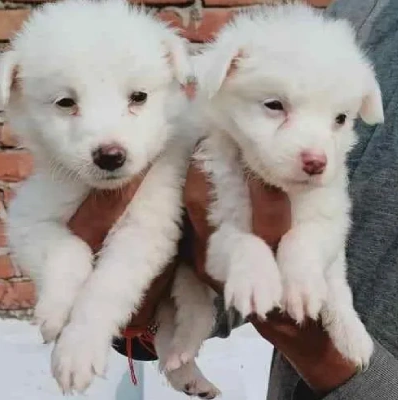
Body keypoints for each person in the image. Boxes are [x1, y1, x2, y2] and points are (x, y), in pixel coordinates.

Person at [68, 0, 398, 398]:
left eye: (340, 121)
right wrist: (142, 315)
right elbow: (205, 256)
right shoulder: (360, 15)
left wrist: (323, 348)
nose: (317, 154)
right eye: (276, 107)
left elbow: (326, 222)